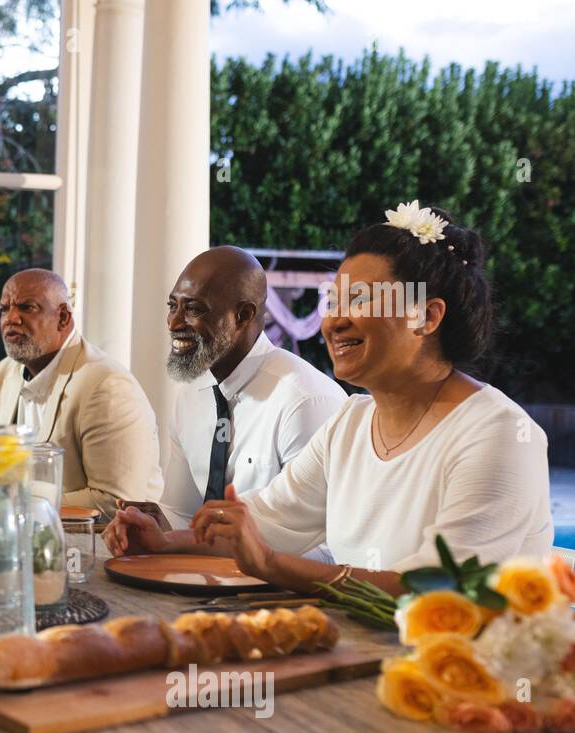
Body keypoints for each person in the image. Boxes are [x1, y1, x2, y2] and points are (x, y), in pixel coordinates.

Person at [104, 204, 553, 593]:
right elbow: (266, 521)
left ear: (427, 316)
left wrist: (268, 564)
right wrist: (162, 543)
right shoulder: (352, 422)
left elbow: (435, 591)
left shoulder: (497, 436)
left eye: (359, 300)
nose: (332, 322)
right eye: (333, 302)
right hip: (359, 654)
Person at [107, 245, 345, 548]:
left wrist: (177, 543)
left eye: (193, 309)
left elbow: (315, 541)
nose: (174, 323)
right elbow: (182, 514)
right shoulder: (192, 395)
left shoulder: (304, 401)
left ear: (243, 315)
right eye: (173, 306)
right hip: (204, 581)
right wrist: (151, 523)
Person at [0, 268, 162, 515]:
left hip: (100, 546)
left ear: (62, 317)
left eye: (27, 307)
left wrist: (14, 499)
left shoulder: (106, 386)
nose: (11, 318)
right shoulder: (5, 373)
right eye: (4, 309)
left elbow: (116, 502)